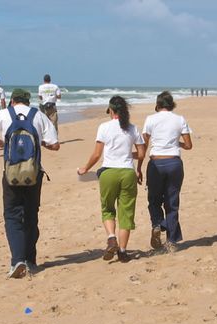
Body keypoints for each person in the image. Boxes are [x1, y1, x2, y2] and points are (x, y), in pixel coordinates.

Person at [0, 88, 59, 279]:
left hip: (11, 174)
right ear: (28, 101)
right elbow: (55, 145)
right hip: (34, 173)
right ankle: (31, 260)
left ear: (13, 100)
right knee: (31, 215)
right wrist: (41, 143)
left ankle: (17, 260)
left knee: (12, 216)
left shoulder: (2, 115)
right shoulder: (39, 115)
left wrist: (4, 144)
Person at [77, 96, 145, 263]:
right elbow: (142, 154)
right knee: (126, 213)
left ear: (111, 111)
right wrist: (135, 165)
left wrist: (85, 168)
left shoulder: (104, 127)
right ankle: (122, 251)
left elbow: (97, 154)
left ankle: (111, 237)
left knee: (108, 209)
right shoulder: (133, 128)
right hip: (128, 173)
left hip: (108, 173)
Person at [142, 91, 192, 253]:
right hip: (174, 162)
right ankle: (171, 241)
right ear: (171, 105)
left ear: (157, 104)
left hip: (156, 162)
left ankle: (157, 224)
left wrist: (138, 166)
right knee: (172, 202)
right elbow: (189, 145)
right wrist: (176, 143)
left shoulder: (150, 119)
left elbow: (143, 144)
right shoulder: (180, 119)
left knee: (154, 198)